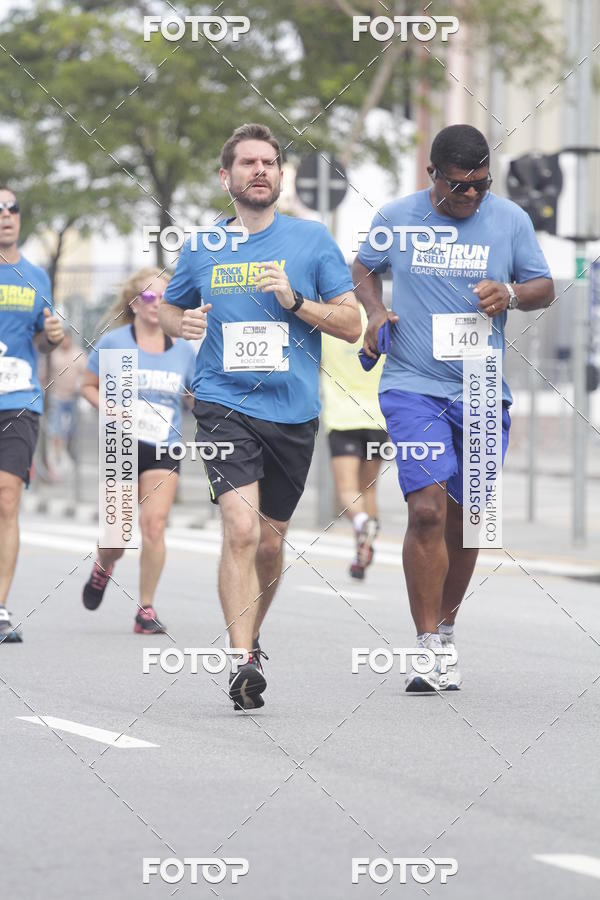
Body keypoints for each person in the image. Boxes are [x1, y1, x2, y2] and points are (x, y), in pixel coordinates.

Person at [159, 122, 361, 710]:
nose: (260, 171)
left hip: (293, 411)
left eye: (269, 162)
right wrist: (181, 323)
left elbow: (353, 326)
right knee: (241, 530)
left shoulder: (312, 241)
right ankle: (241, 658)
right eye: (248, 163)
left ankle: (252, 633)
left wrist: (296, 302)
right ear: (227, 178)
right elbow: (166, 310)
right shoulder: (202, 247)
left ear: (280, 174)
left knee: (271, 545)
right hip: (223, 403)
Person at [353, 124, 554, 692]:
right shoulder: (397, 218)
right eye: (460, 187)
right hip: (413, 385)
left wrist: (509, 293)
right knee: (426, 511)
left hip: (483, 389)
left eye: (481, 186)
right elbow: (364, 267)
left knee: (469, 521)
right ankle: (425, 646)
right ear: (433, 175)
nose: (471, 197)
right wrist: (373, 311)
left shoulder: (510, 219)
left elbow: (542, 284)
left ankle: (446, 628)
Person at [80, 267, 196, 634]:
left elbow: (194, 395)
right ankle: (104, 566)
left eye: (162, 297)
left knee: (155, 525)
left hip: (164, 445)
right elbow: (88, 386)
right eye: (148, 296)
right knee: (116, 538)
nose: (155, 303)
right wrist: (111, 409)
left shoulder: (182, 351)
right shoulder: (115, 343)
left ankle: (145, 609)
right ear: (134, 303)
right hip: (122, 443)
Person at [0, 185, 64, 643]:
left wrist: (53, 336)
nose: (6, 215)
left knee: (6, 499)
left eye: (13, 208)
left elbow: (43, 341)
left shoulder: (36, 277)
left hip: (18, 399)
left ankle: (0, 608)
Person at [321, 306, 390, 579]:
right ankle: (361, 554)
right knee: (369, 491)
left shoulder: (330, 321)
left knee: (348, 491)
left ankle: (363, 524)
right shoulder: (382, 318)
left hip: (342, 418)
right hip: (379, 419)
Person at [44, 330, 88, 480]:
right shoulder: (53, 354)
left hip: (73, 397)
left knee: (72, 429)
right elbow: (45, 373)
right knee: (56, 429)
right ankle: (56, 457)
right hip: (56, 396)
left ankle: (69, 449)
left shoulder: (79, 354)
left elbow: (87, 374)